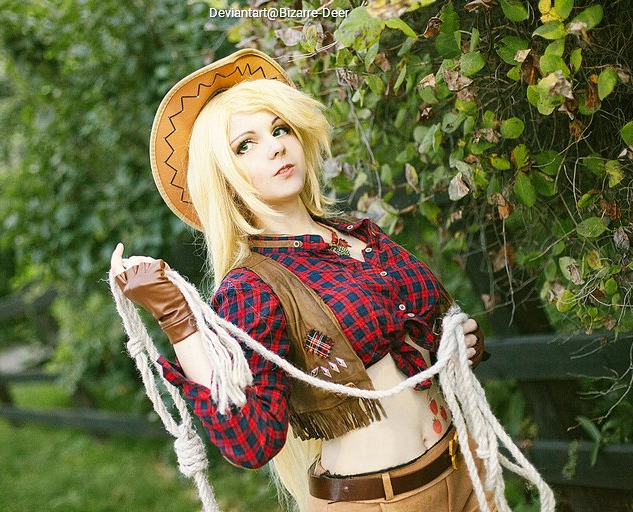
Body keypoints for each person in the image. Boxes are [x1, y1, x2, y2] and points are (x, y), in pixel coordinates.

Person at [110, 49, 491, 512]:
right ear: (224, 178)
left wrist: (455, 344)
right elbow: (248, 441)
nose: (274, 147)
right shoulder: (251, 287)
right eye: (244, 145)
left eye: (279, 128)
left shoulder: (357, 233)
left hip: (463, 468)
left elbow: (424, 332)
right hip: (377, 502)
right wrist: (177, 317)